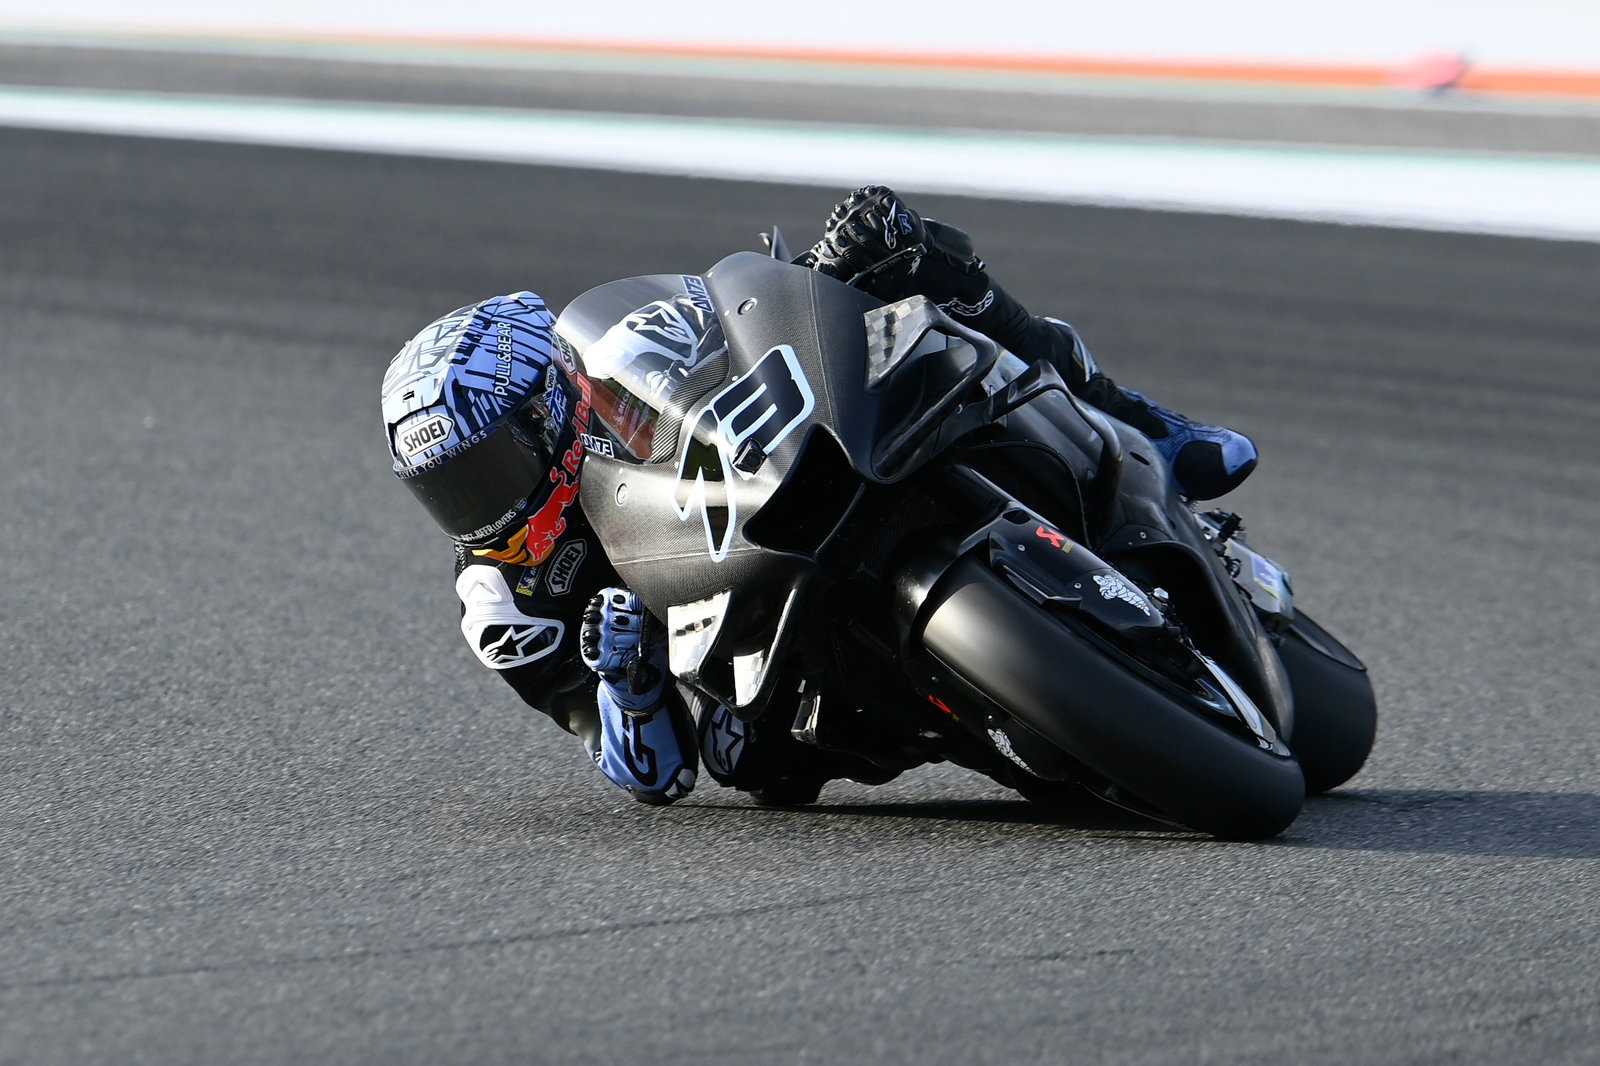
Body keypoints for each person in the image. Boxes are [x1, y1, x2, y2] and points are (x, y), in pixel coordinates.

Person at [379, 185, 1258, 808]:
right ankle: (996, 710)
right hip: (758, 652)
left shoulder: (615, 371)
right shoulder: (500, 597)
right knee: (748, 762)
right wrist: (630, 679)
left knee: (889, 237)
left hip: (794, 467)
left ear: (548, 408)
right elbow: (655, 777)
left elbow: (736, 322)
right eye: (448, 490)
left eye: (486, 468)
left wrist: (822, 271)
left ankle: (1147, 425)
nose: (478, 509)